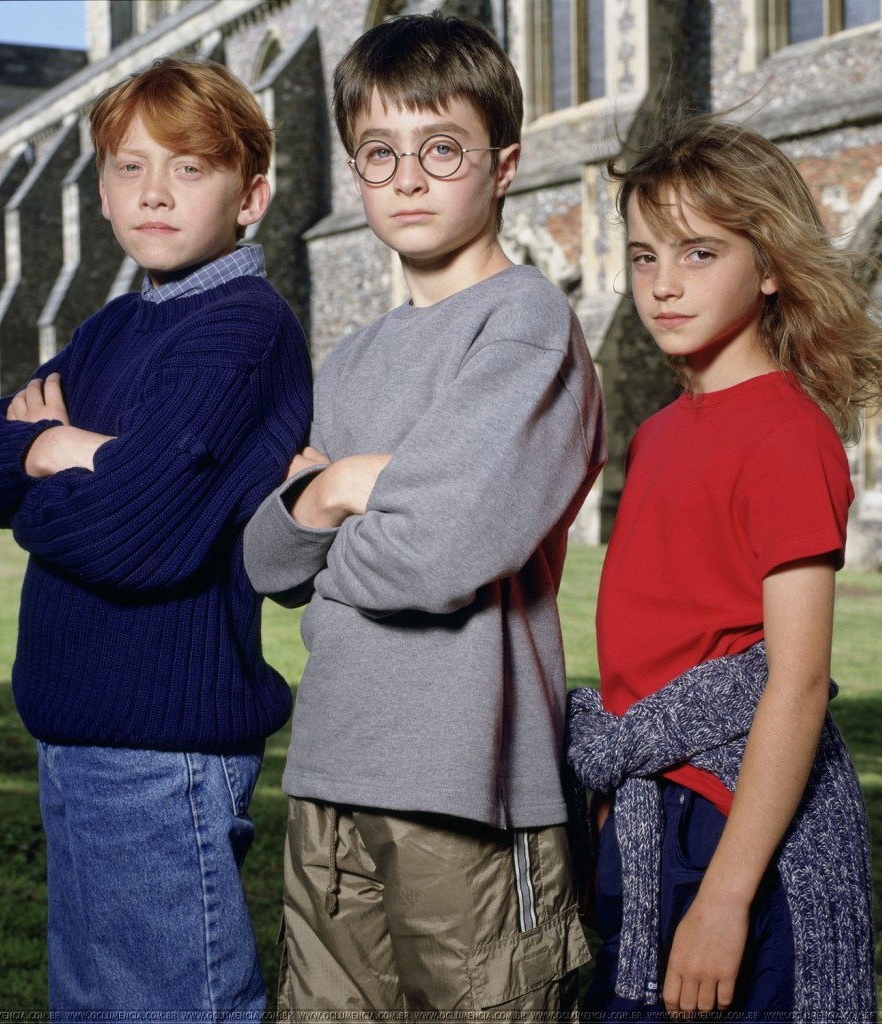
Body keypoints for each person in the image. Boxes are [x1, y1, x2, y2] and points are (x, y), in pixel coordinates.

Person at [243, 11, 606, 1016]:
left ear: (503, 165)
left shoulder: (524, 325)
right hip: (329, 766)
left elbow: (436, 555)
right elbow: (267, 562)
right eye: (379, 153)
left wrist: (334, 514)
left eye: (441, 149)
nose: (406, 178)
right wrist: (339, 490)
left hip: (466, 784)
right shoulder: (352, 358)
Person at [0, 57, 312, 1018]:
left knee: (174, 1005)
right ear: (101, 191)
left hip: (162, 750)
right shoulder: (114, 328)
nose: (154, 192)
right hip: (73, 733)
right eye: (129, 166)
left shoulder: (242, 330)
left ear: (250, 197)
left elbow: (136, 535)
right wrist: (60, 451)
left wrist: (51, 458)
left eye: (190, 168)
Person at [566, 114, 882, 1022]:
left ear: (767, 266)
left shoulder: (788, 434)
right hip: (645, 811)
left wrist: (725, 896)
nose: (663, 284)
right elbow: (647, 652)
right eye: (644, 257)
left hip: (736, 822)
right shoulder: (654, 435)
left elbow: (796, 685)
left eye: (699, 253)